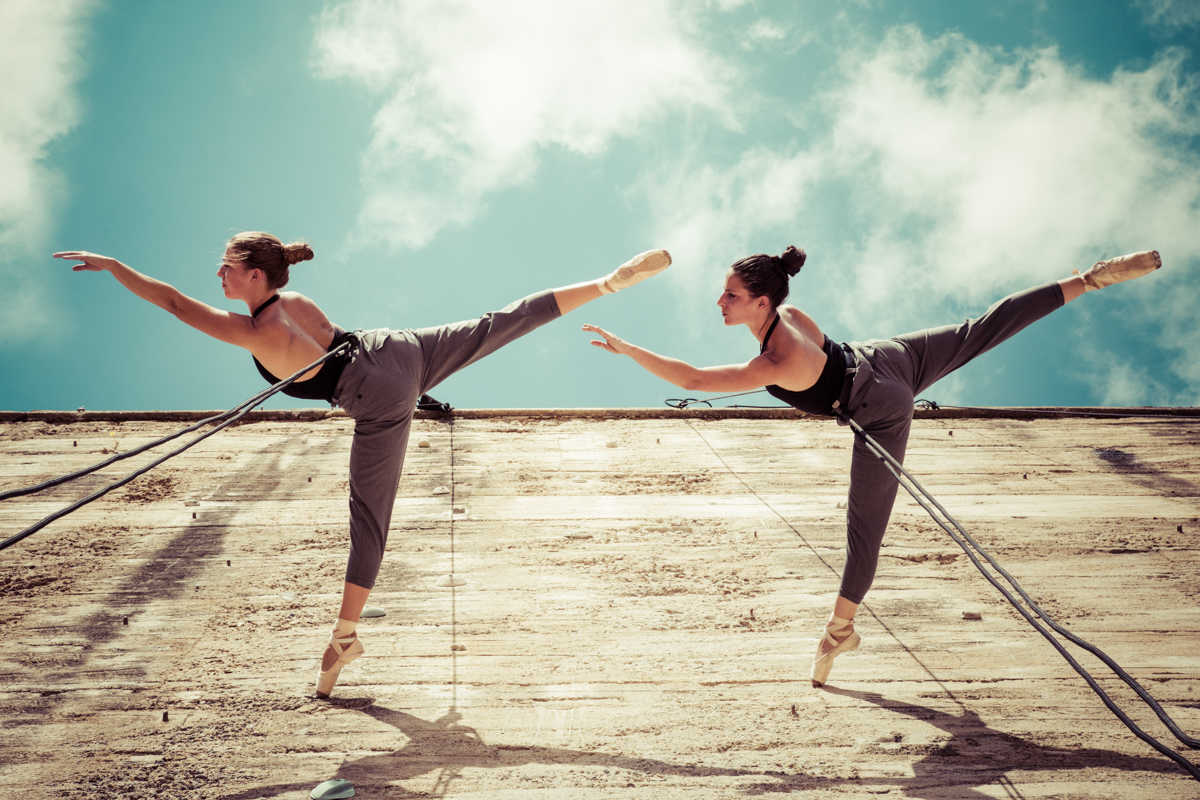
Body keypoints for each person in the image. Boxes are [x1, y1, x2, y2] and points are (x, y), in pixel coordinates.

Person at [54, 234, 671, 697]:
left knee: (369, 516)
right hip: (399, 348)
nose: (217, 273)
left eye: (226, 267)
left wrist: (114, 269)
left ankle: (345, 637)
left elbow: (171, 303)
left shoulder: (256, 331)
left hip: (377, 394)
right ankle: (606, 283)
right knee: (501, 322)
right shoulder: (296, 298)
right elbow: (343, 343)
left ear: (253, 275)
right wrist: (419, 388)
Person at [583, 246, 1161, 687]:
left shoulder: (773, 360)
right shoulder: (795, 317)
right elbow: (822, 350)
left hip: (879, 405)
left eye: (731, 295)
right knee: (982, 329)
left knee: (865, 532)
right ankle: (1088, 278)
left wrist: (627, 349)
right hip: (888, 356)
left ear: (763, 302)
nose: (721, 302)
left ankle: (839, 632)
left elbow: (692, 380)